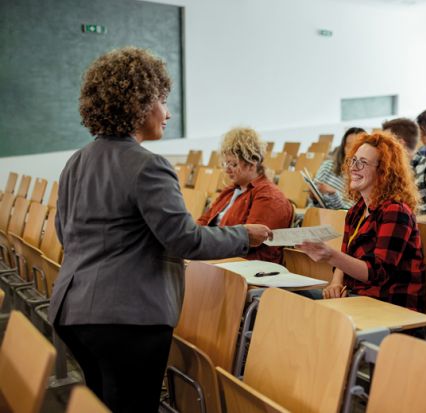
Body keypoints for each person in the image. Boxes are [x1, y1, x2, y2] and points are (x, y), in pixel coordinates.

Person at [49, 47, 271, 413]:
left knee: (103, 403)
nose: (167, 113)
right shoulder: (148, 166)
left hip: (73, 311)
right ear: (137, 104)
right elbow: (185, 239)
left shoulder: (77, 160)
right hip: (126, 317)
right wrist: (244, 235)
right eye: (162, 101)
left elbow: (64, 232)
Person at [298, 132, 426, 312]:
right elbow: (347, 255)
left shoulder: (395, 211)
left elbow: (378, 273)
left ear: (383, 171)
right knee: (290, 297)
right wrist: (335, 283)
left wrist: (330, 255)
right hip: (356, 297)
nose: (353, 168)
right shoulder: (356, 211)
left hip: (387, 306)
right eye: (353, 160)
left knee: (302, 307)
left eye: (363, 163)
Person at [197, 127, 292, 263]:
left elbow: (249, 242)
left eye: (234, 164)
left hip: (245, 264)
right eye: (226, 163)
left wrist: (205, 242)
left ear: (252, 163)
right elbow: (203, 222)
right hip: (220, 257)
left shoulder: (269, 196)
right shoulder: (230, 191)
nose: (227, 169)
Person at [310, 127, 365, 210]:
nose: (351, 150)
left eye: (356, 146)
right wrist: (314, 198)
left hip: (339, 220)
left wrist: (334, 194)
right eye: (348, 145)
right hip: (317, 214)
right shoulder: (328, 166)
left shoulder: (363, 178)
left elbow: (348, 210)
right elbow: (314, 202)